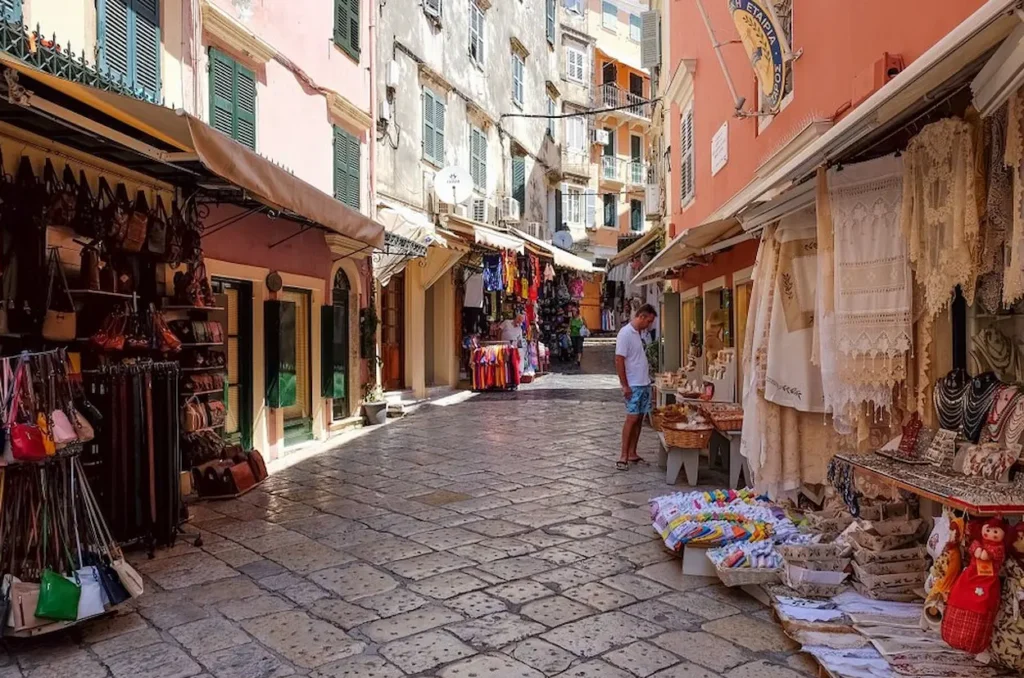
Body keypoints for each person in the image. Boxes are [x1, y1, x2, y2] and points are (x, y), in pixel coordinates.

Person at [615, 304, 657, 470]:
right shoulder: (626, 334)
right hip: (634, 384)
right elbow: (619, 360)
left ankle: (632, 452)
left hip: (644, 382)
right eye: (649, 321)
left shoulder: (642, 334)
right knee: (631, 419)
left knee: (639, 418)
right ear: (641, 316)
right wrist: (625, 385)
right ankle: (623, 455)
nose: (650, 324)